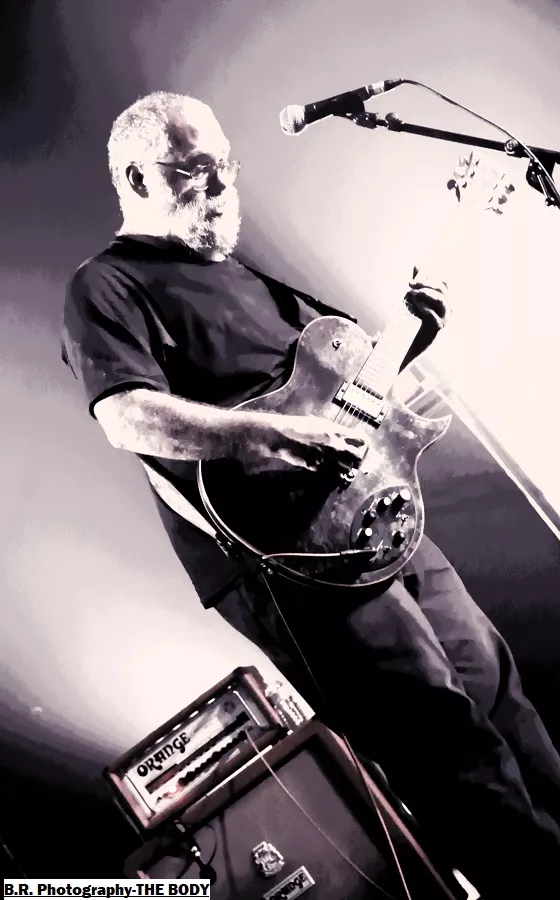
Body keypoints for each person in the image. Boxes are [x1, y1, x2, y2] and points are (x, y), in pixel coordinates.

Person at [62, 91, 560, 898]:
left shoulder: (249, 279)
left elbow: (346, 390)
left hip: (382, 518)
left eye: (225, 164)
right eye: (195, 170)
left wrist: (409, 352)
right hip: (291, 557)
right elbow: (127, 415)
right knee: (441, 736)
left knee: (498, 691)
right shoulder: (107, 285)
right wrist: (271, 436)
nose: (221, 184)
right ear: (136, 177)